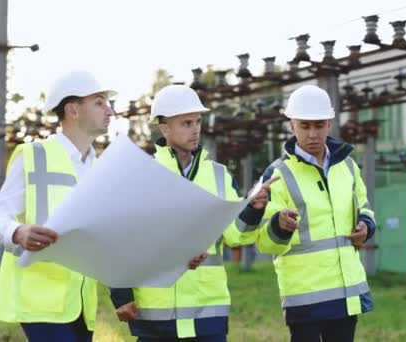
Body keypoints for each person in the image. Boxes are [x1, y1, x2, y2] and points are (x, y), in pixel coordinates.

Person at [110, 85, 273, 342]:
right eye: (186, 123)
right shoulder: (140, 176)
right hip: (157, 318)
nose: (195, 129)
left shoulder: (218, 175)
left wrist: (253, 209)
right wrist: (121, 295)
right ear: (164, 128)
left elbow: (236, 236)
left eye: (197, 121)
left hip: (207, 315)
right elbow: (121, 240)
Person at [0, 70, 116, 341]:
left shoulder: (99, 168)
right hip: (38, 300)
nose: (110, 110)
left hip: (80, 304)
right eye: (99, 102)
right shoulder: (34, 155)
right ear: (73, 110)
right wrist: (18, 233)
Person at [255, 85, 376, 342]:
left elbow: (363, 206)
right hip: (304, 296)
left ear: (329, 124)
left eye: (319, 125)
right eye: (305, 126)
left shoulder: (347, 166)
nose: (312, 134)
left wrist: (366, 225)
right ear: (292, 126)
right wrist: (278, 225)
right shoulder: (277, 175)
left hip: (345, 290)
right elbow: (263, 240)